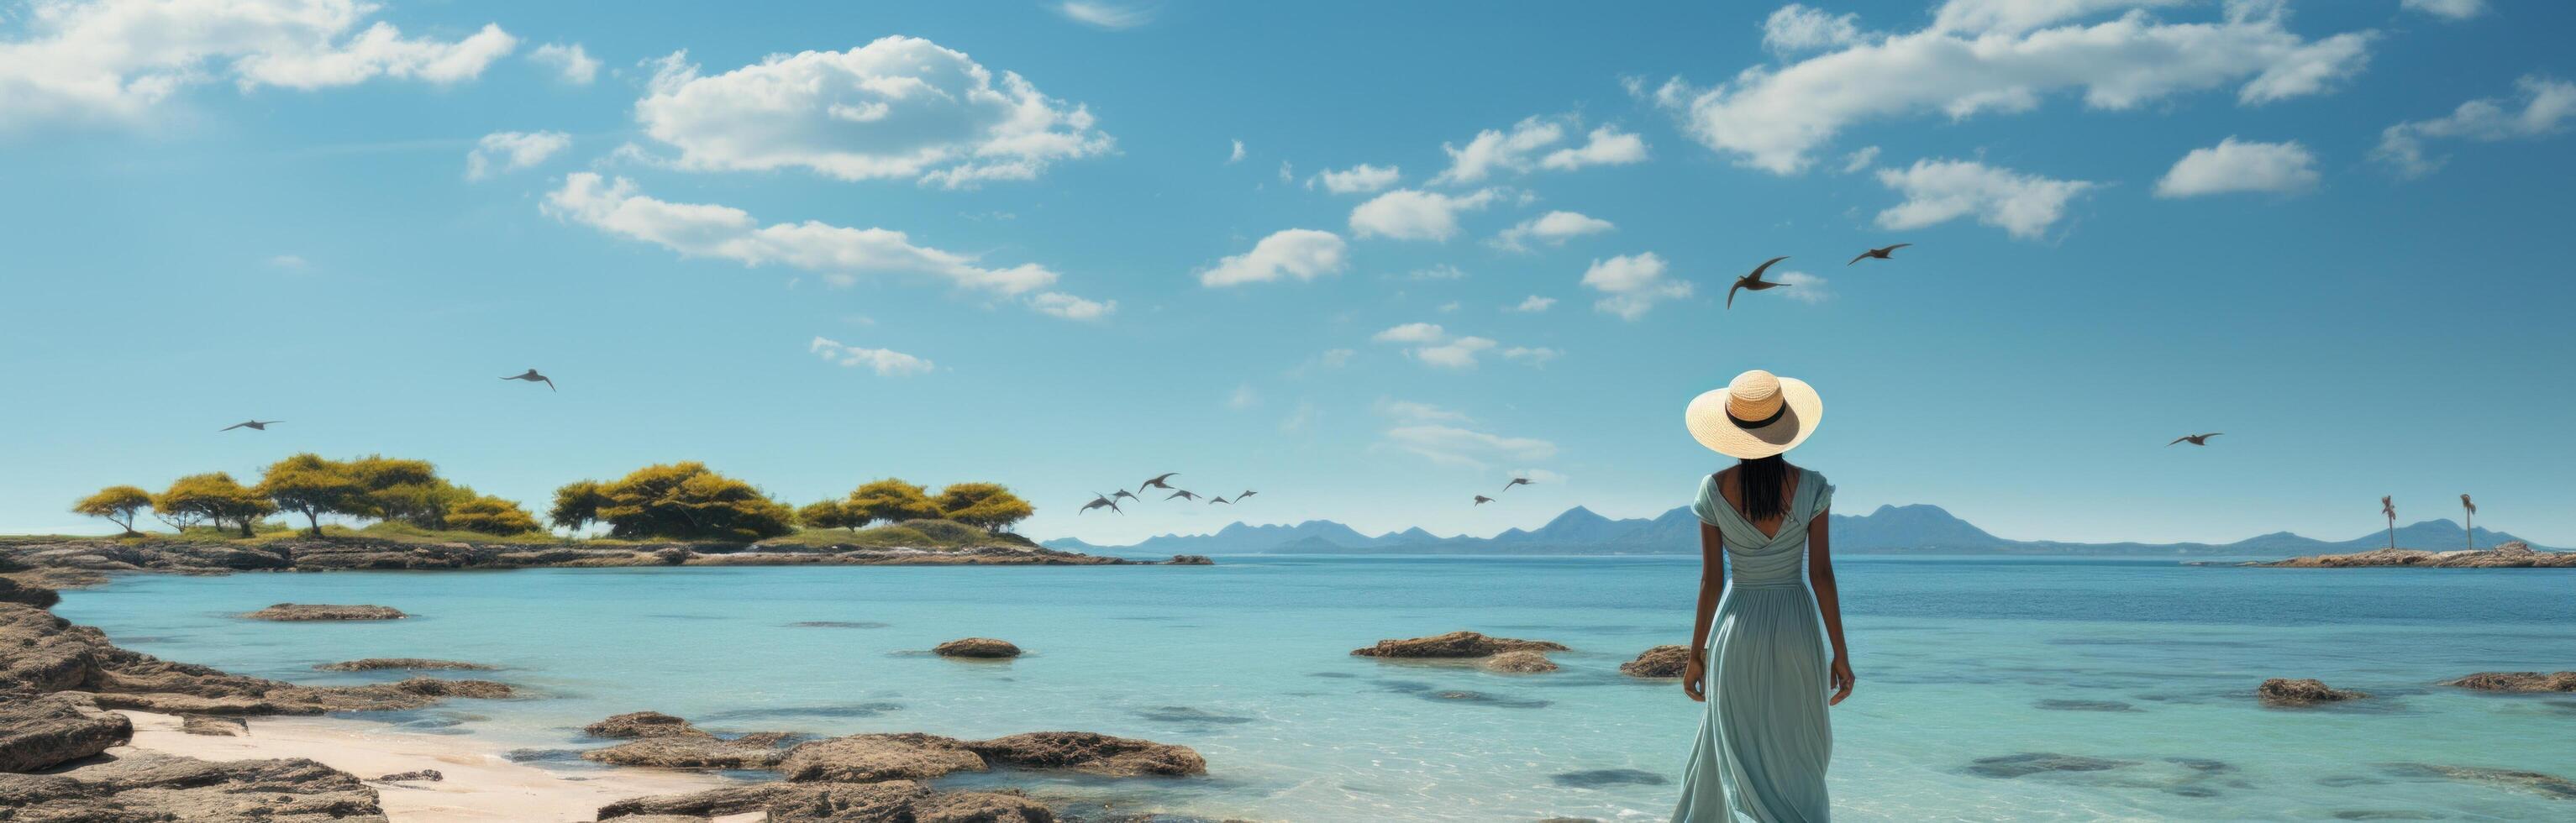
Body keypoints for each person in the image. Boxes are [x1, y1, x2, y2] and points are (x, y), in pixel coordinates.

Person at [1671, 369, 1853, 823]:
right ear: (1784, 426)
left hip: (1737, 628)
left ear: (1734, 430)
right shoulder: (1811, 486)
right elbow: (1822, 574)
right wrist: (1840, 654)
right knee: (1797, 746)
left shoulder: (1713, 489)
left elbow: (1711, 581)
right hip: (1795, 625)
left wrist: (1696, 655)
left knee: (1736, 748)